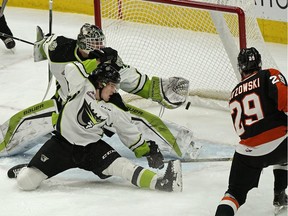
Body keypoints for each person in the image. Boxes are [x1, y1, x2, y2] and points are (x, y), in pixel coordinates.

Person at [0, 23, 193, 159]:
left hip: (98, 110)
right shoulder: (60, 48)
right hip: (63, 108)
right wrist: (40, 45)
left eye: (100, 43)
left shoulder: (110, 62)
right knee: (20, 122)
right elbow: (44, 45)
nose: (98, 48)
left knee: (142, 121)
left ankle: (183, 144)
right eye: (93, 45)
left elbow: (132, 79)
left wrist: (158, 89)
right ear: (81, 44)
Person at [8, 63, 183, 192]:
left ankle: (162, 182)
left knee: (123, 166)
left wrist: (147, 150)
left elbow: (128, 132)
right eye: (112, 85)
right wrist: (97, 61)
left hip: (91, 149)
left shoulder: (115, 107)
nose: (115, 90)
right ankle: (28, 168)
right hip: (61, 145)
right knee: (26, 182)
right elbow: (71, 67)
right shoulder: (81, 86)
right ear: (101, 82)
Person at [215, 47, 287, 216]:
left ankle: (279, 196)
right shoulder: (269, 74)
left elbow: (241, 130)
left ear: (241, 68)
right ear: (259, 63)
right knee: (284, 155)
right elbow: (285, 100)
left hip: (248, 152)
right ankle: (279, 194)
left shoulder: (234, 93)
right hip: (282, 144)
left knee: (233, 195)